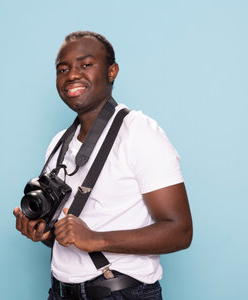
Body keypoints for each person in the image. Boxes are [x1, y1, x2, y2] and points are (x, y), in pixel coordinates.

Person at [13, 31, 193, 300]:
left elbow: (180, 231)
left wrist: (98, 239)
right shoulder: (58, 143)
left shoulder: (140, 132)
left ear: (112, 72)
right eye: (63, 69)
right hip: (60, 291)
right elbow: (70, 235)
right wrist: (43, 234)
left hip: (121, 293)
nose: (72, 75)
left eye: (85, 65)